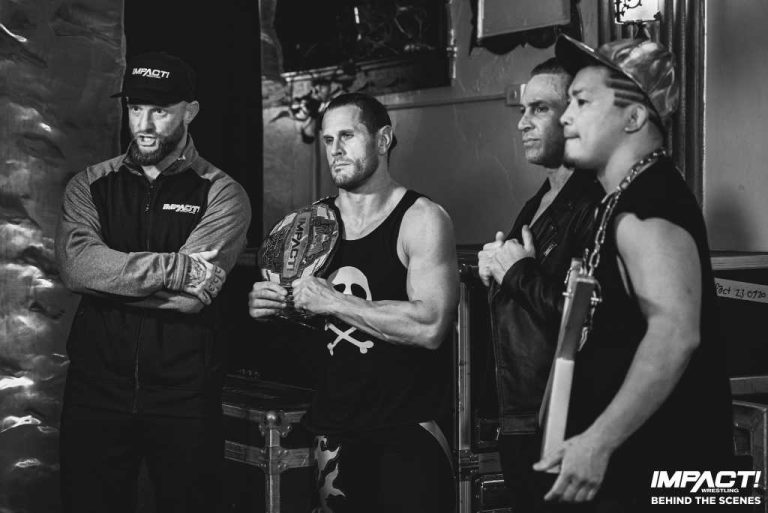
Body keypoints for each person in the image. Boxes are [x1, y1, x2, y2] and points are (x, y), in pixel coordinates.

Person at [531, 35, 734, 509]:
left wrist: (598, 441)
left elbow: (675, 334)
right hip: (633, 474)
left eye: (582, 102)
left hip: (664, 477)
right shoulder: (619, 200)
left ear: (634, 117)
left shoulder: (650, 204)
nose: (565, 117)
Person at [55, 51, 251, 513]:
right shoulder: (89, 185)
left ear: (190, 110)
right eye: (135, 107)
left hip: (184, 395)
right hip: (95, 390)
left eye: (159, 110)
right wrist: (176, 269)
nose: (143, 124)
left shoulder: (222, 193)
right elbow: (77, 267)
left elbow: (192, 301)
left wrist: (108, 282)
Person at [248, 92, 457, 513]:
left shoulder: (421, 219)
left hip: (408, 428)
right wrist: (272, 307)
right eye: (328, 140)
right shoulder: (311, 226)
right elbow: (306, 319)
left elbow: (431, 326)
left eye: (347, 136)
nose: (335, 149)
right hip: (335, 429)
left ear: (383, 140)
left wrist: (334, 301)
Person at [477, 58, 603, 511]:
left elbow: (588, 320)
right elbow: (520, 294)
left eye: (540, 109)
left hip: (565, 420)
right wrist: (493, 269)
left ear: (574, 114)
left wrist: (516, 273)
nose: (523, 123)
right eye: (523, 110)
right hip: (519, 419)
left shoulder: (596, 202)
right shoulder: (539, 202)